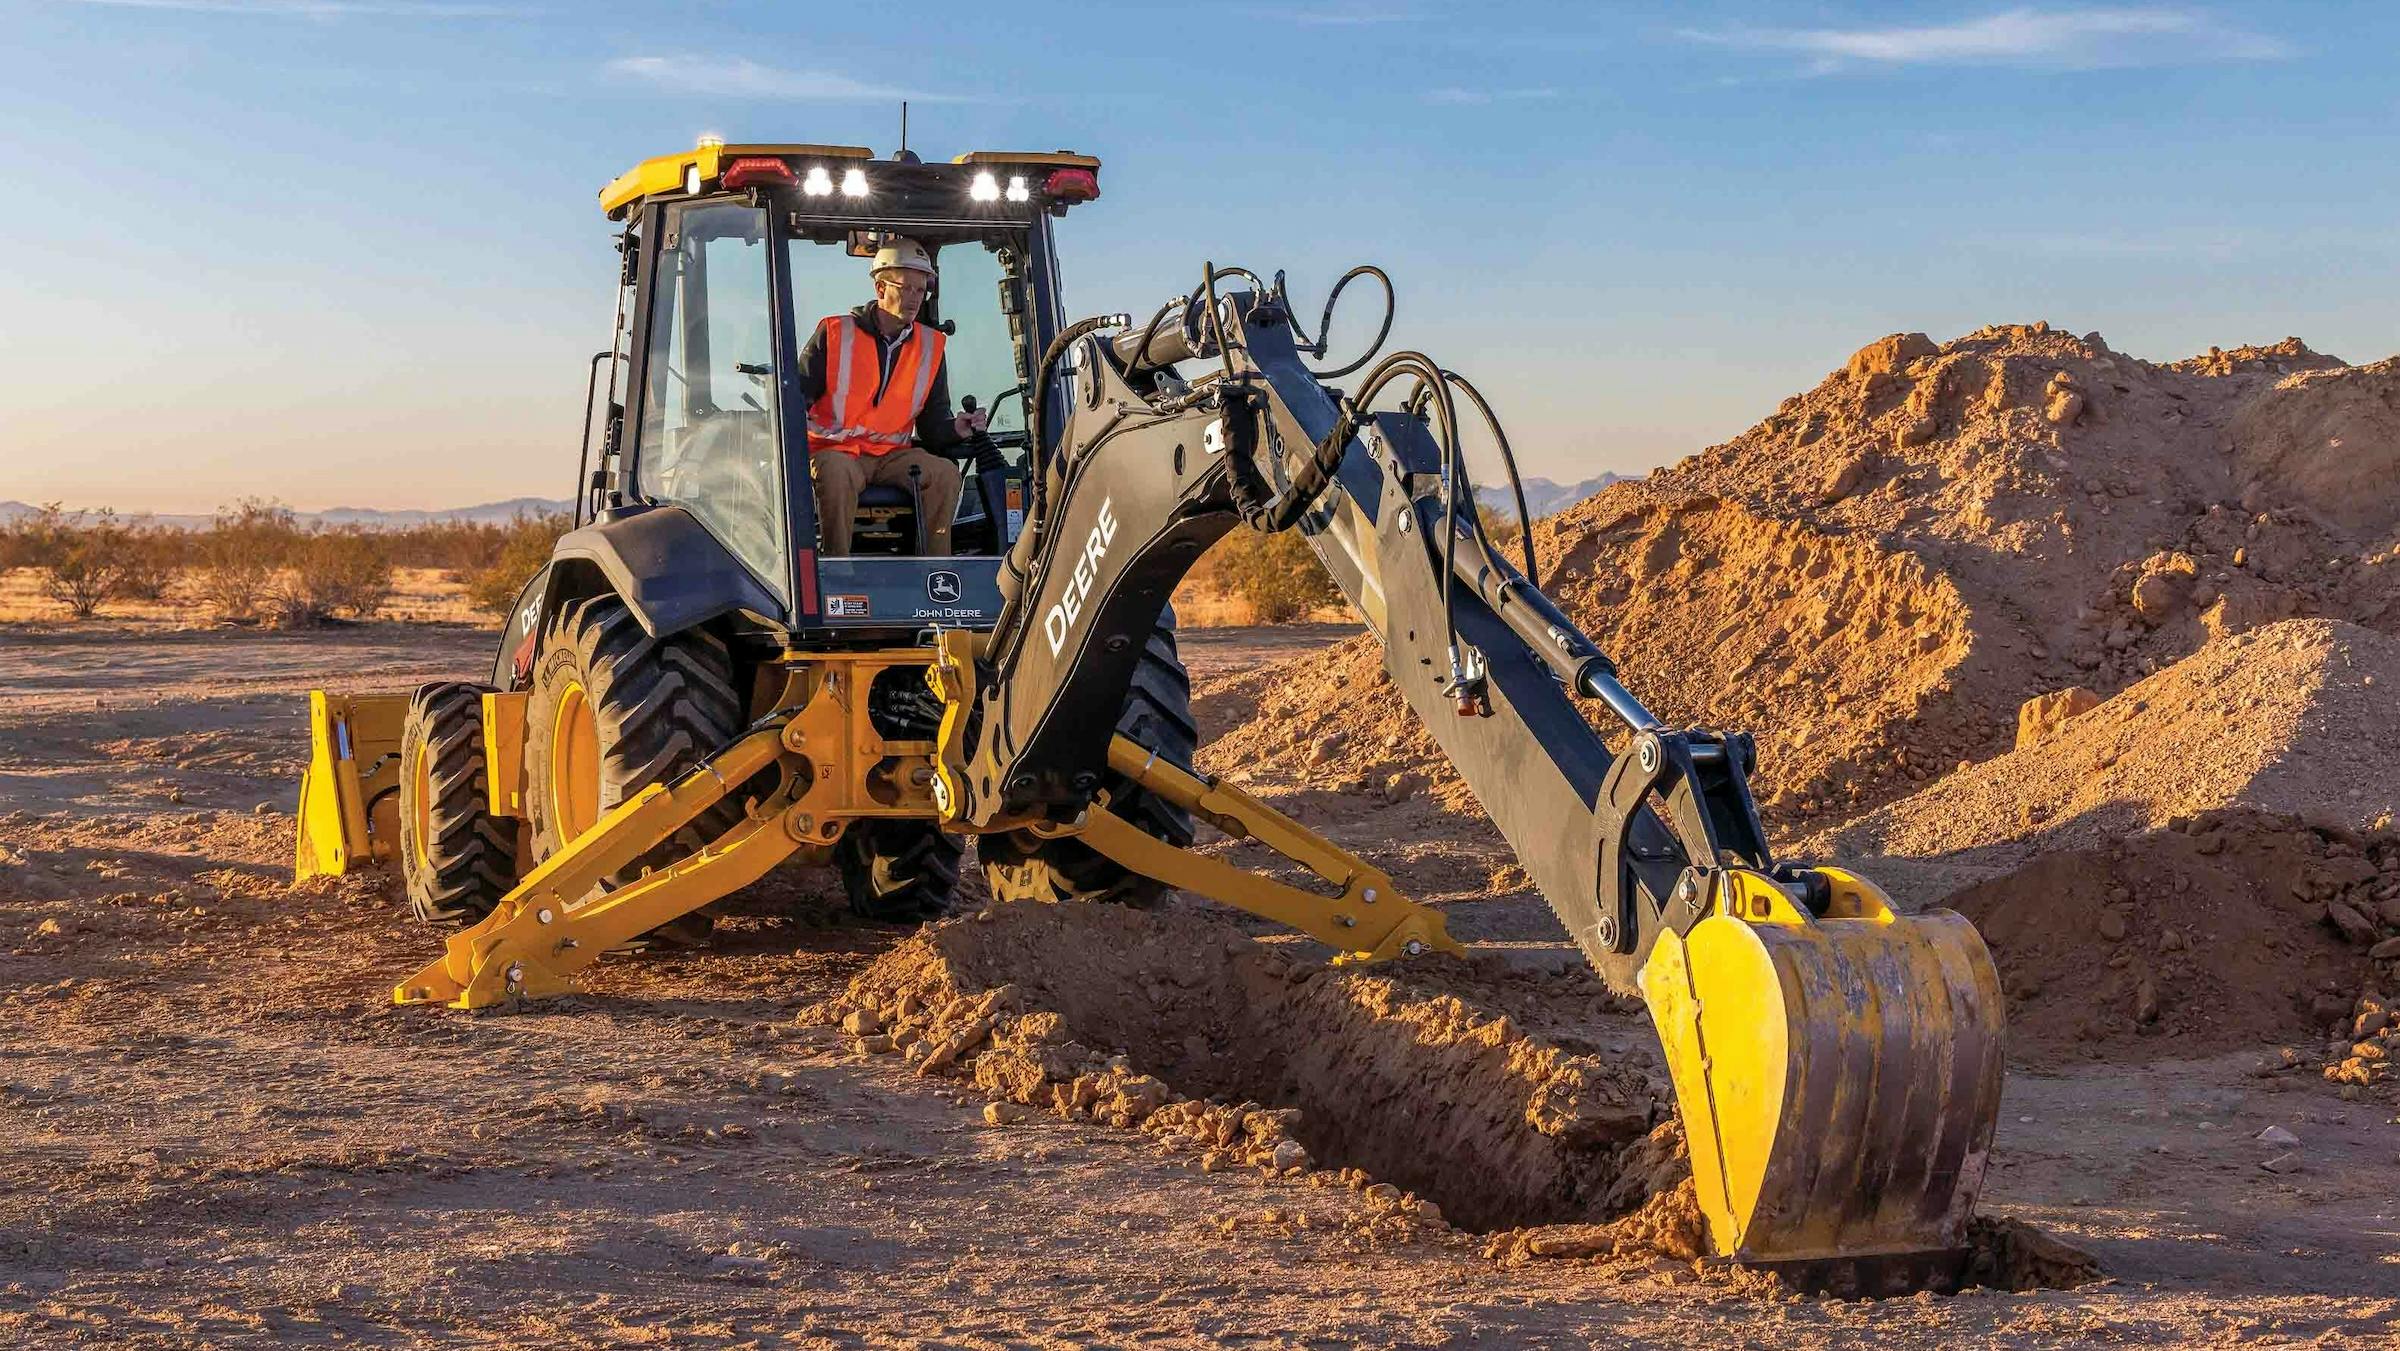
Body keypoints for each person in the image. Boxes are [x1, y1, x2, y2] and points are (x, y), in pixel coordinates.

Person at [797, 237, 987, 556]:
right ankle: (838, 571)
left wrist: (957, 427)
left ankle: (934, 575)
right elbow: (795, 400)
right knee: (835, 473)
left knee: (945, 474)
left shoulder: (931, 347)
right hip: (835, 452)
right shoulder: (834, 334)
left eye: (921, 289)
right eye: (907, 288)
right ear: (881, 289)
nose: (915, 298)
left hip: (891, 457)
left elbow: (932, 424)